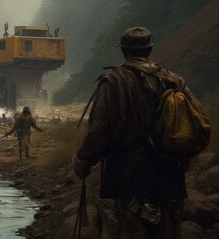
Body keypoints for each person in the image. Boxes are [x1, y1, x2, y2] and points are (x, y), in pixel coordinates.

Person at [73, 27, 208, 239]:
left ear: (124, 51)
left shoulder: (113, 82)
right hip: (170, 179)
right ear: (150, 49)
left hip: (125, 180)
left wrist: (83, 161)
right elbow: (198, 121)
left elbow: (98, 131)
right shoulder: (174, 80)